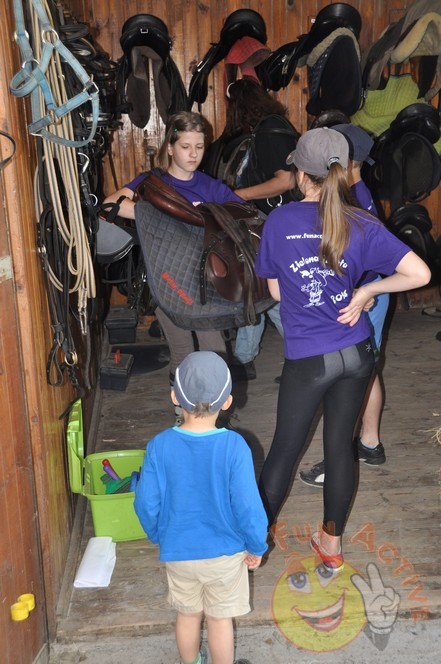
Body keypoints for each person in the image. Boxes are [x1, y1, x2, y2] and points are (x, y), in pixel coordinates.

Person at [254, 128, 431, 571]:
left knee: (284, 450)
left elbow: (275, 292)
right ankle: (331, 544)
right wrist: (367, 292)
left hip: (308, 359)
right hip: (356, 354)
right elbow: (420, 274)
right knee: (339, 447)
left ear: (301, 175)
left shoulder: (279, 221)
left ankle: (253, 544)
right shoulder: (362, 221)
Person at [103, 111, 243, 422]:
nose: (193, 154)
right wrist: (155, 213)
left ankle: (213, 417)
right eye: (185, 146)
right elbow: (110, 204)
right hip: (167, 278)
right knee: (181, 350)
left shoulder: (211, 186)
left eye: (199, 147)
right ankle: (183, 415)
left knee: (213, 349)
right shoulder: (153, 183)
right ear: (170, 147)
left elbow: (240, 214)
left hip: (206, 282)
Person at [134, 351, 268, 664]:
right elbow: (248, 505)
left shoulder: (159, 445)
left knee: (188, 614)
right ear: (227, 402)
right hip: (224, 554)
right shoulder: (235, 447)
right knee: (220, 619)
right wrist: (256, 545)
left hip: (179, 551)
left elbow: (145, 501)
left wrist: (157, 533)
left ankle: (191, 661)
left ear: (174, 397)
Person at [300, 123, 388, 487]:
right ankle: (369, 444)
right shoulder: (354, 193)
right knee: (365, 369)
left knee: (353, 376)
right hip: (364, 292)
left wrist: (363, 293)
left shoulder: (353, 200)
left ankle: (344, 456)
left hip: (363, 295)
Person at [218, 77, 300, 380]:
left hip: (273, 223)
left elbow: (286, 180)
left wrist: (239, 195)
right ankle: (248, 356)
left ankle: (255, 357)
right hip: (281, 222)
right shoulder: (275, 127)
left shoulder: (268, 131)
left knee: (261, 290)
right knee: (261, 289)